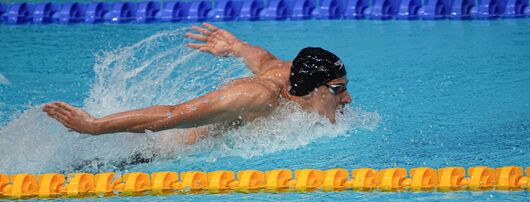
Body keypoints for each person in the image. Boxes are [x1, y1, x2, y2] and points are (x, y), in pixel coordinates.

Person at [42, 23, 351, 141]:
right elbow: (174, 114)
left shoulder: (290, 73)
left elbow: (265, 59)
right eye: (340, 90)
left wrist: (235, 47)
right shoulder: (255, 96)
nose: (348, 99)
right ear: (316, 90)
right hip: (158, 151)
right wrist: (95, 125)